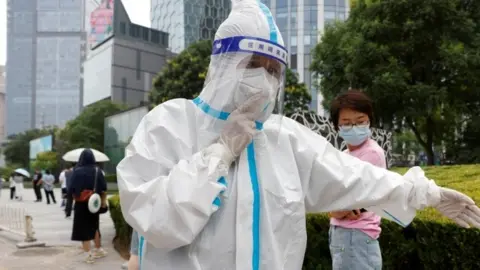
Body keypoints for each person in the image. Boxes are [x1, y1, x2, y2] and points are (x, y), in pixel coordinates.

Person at [116, 1, 480, 269]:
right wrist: (218, 154)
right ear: (221, 62)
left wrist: (425, 192)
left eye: (273, 69)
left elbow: (355, 176)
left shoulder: (283, 138)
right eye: (254, 65)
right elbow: (156, 221)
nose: (265, 79)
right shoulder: (168, 124)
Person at [327, 90, 385, 269]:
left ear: (369, 121)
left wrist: (334, 209)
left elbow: (353, 202)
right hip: (346, 234)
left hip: (356, 234)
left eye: (360, 122)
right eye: (346, 123)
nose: (354, 127)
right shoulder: (345, 154)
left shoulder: (371, 153)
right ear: (337, 126)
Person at [66, 149, 108, 263]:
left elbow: (70, 189)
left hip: (81, 204)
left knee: (83, 228)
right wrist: (103, 202)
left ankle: (88, 254)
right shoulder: (97, 170)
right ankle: (99, 249)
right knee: (94, 226)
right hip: (94, 203)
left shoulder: (77, 171)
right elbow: (104, 188)